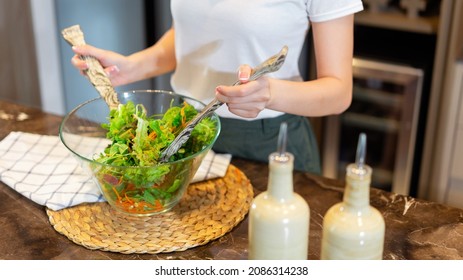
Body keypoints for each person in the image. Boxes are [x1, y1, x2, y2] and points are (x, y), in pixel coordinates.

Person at [70, 0, 364, 174]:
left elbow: (338, 92)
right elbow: (191, 35)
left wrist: (270, 94)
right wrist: (131, 67)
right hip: (184, 133)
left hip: (267, 142)